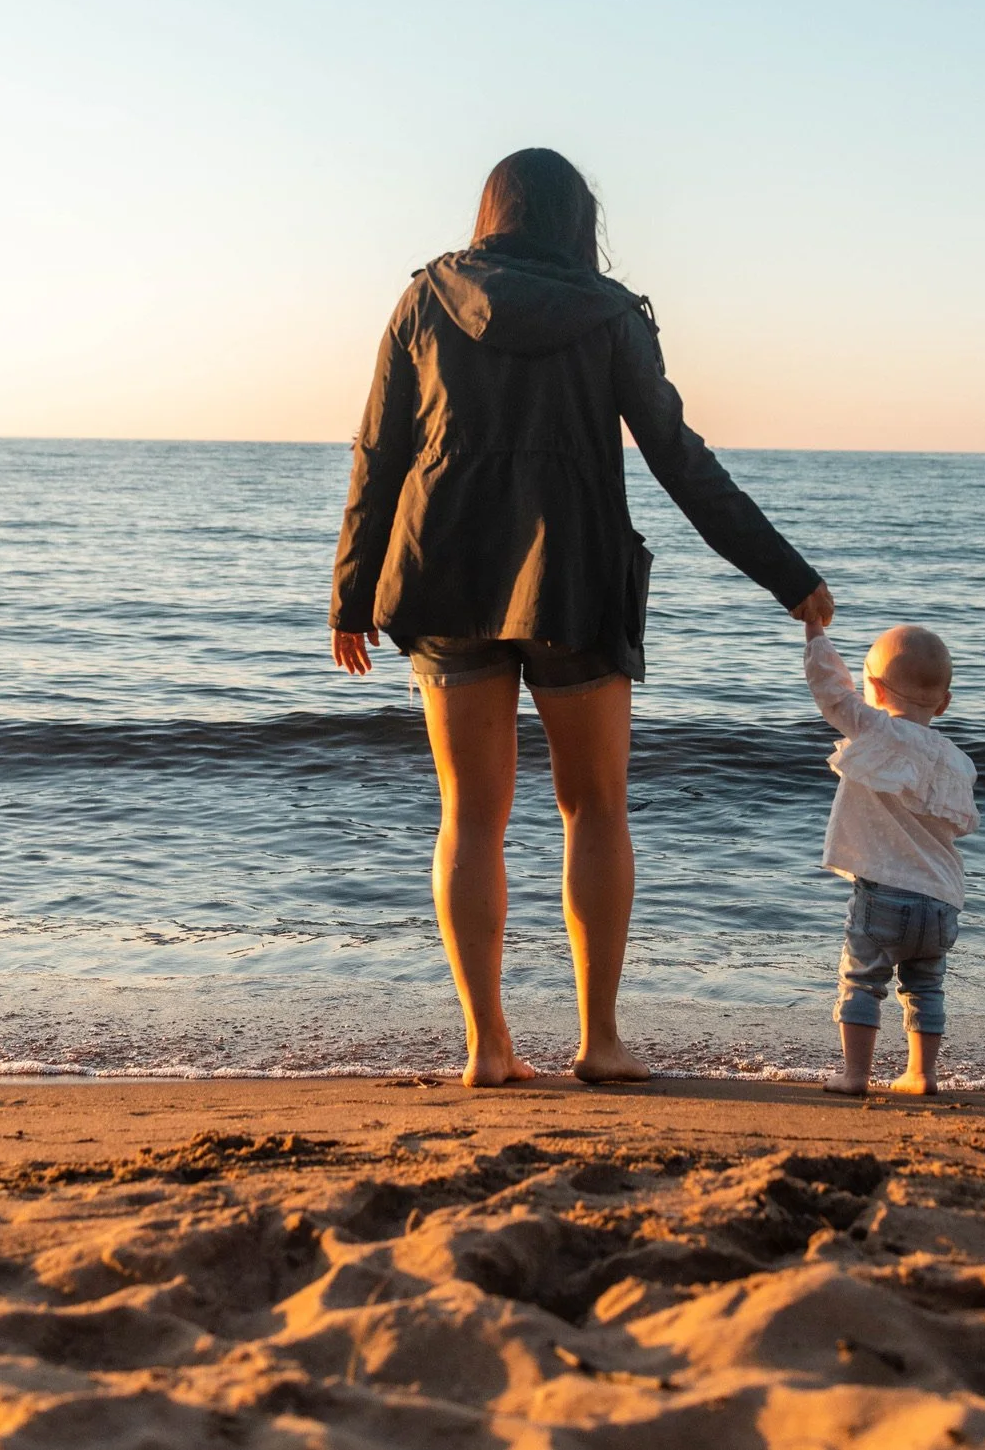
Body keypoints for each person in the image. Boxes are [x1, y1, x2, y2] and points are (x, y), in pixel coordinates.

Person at [331, 146, 832, 1087]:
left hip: (444, 573)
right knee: (594, 808)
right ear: (575, 220)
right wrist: (786, 576)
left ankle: (488, 1048)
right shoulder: (607, 315)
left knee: (469, 816)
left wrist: (351, 594)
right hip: (575, 577)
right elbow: (678, 459)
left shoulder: (424, 301)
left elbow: (378, 453)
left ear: (490, 212)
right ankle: (599, 1041)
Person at [802, 621, 978, 1096]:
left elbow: (831, 692)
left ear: (874, 690)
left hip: (884, 895)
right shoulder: (958, 762)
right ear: (943, 703)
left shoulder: (875, 731)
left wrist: (815, 631)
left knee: (862, 982)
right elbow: (958, 824)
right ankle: (921, 1074)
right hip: (942, 902)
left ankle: (856, 1075)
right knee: (925, 988)